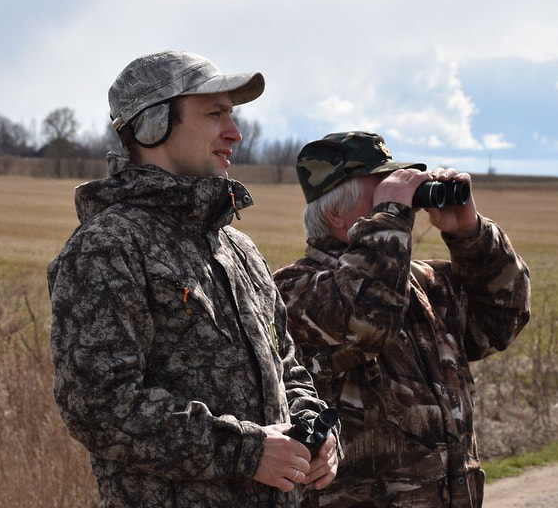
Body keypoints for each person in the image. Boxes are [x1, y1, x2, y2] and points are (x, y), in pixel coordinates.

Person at [48, 50, 338, 508]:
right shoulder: (108, 246)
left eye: (232, 115)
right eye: (215, 114)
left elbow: (287, 366)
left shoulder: (238, 249)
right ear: (153, 125)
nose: (235, 132)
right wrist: (247, 452)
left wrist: (317, 431)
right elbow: (99, 405)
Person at [272, 131, 531, 508]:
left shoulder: (423, 284)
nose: (406, 208)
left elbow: (503, 319)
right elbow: (365, 319)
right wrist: (390, 216)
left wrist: (470, 234)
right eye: (381, 196)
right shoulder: (294, 292)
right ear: (335, 214)